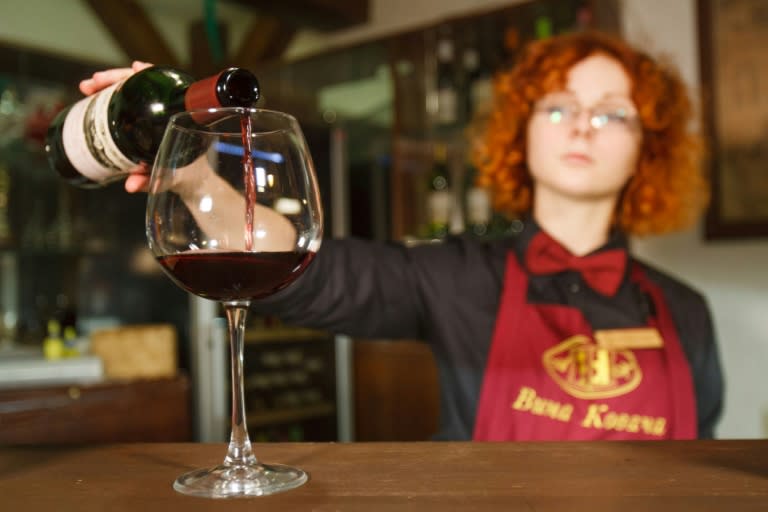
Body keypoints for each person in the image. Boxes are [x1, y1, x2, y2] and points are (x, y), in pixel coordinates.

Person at [80, 31, 723, 441]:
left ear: (648, 150)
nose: (583, 126)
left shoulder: (687, 312)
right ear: (521, 134)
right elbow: (305, 267)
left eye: (613, 113)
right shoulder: (456, 277)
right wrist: (196, 180)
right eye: (559, 106)